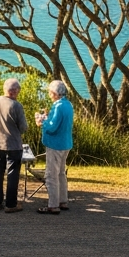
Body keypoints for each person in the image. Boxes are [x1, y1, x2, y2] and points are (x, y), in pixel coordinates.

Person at [0, 78, 28, 212]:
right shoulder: (16, 105)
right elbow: (23, 128)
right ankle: (11, 204)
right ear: (15, 91)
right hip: (13, 144)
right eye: (18, 90)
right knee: (12, 174)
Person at [35, 80, 74, 214]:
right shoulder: (68, 105)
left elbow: (52, 127)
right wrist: (47, 119)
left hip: (55, 144)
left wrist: (41, 122)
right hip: (66, 143)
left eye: (50, 92)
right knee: (61, 173)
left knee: (51, 175)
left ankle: (53, 205)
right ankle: (63, 201)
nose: (49, 94)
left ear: (55, 93)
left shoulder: (58, 107)